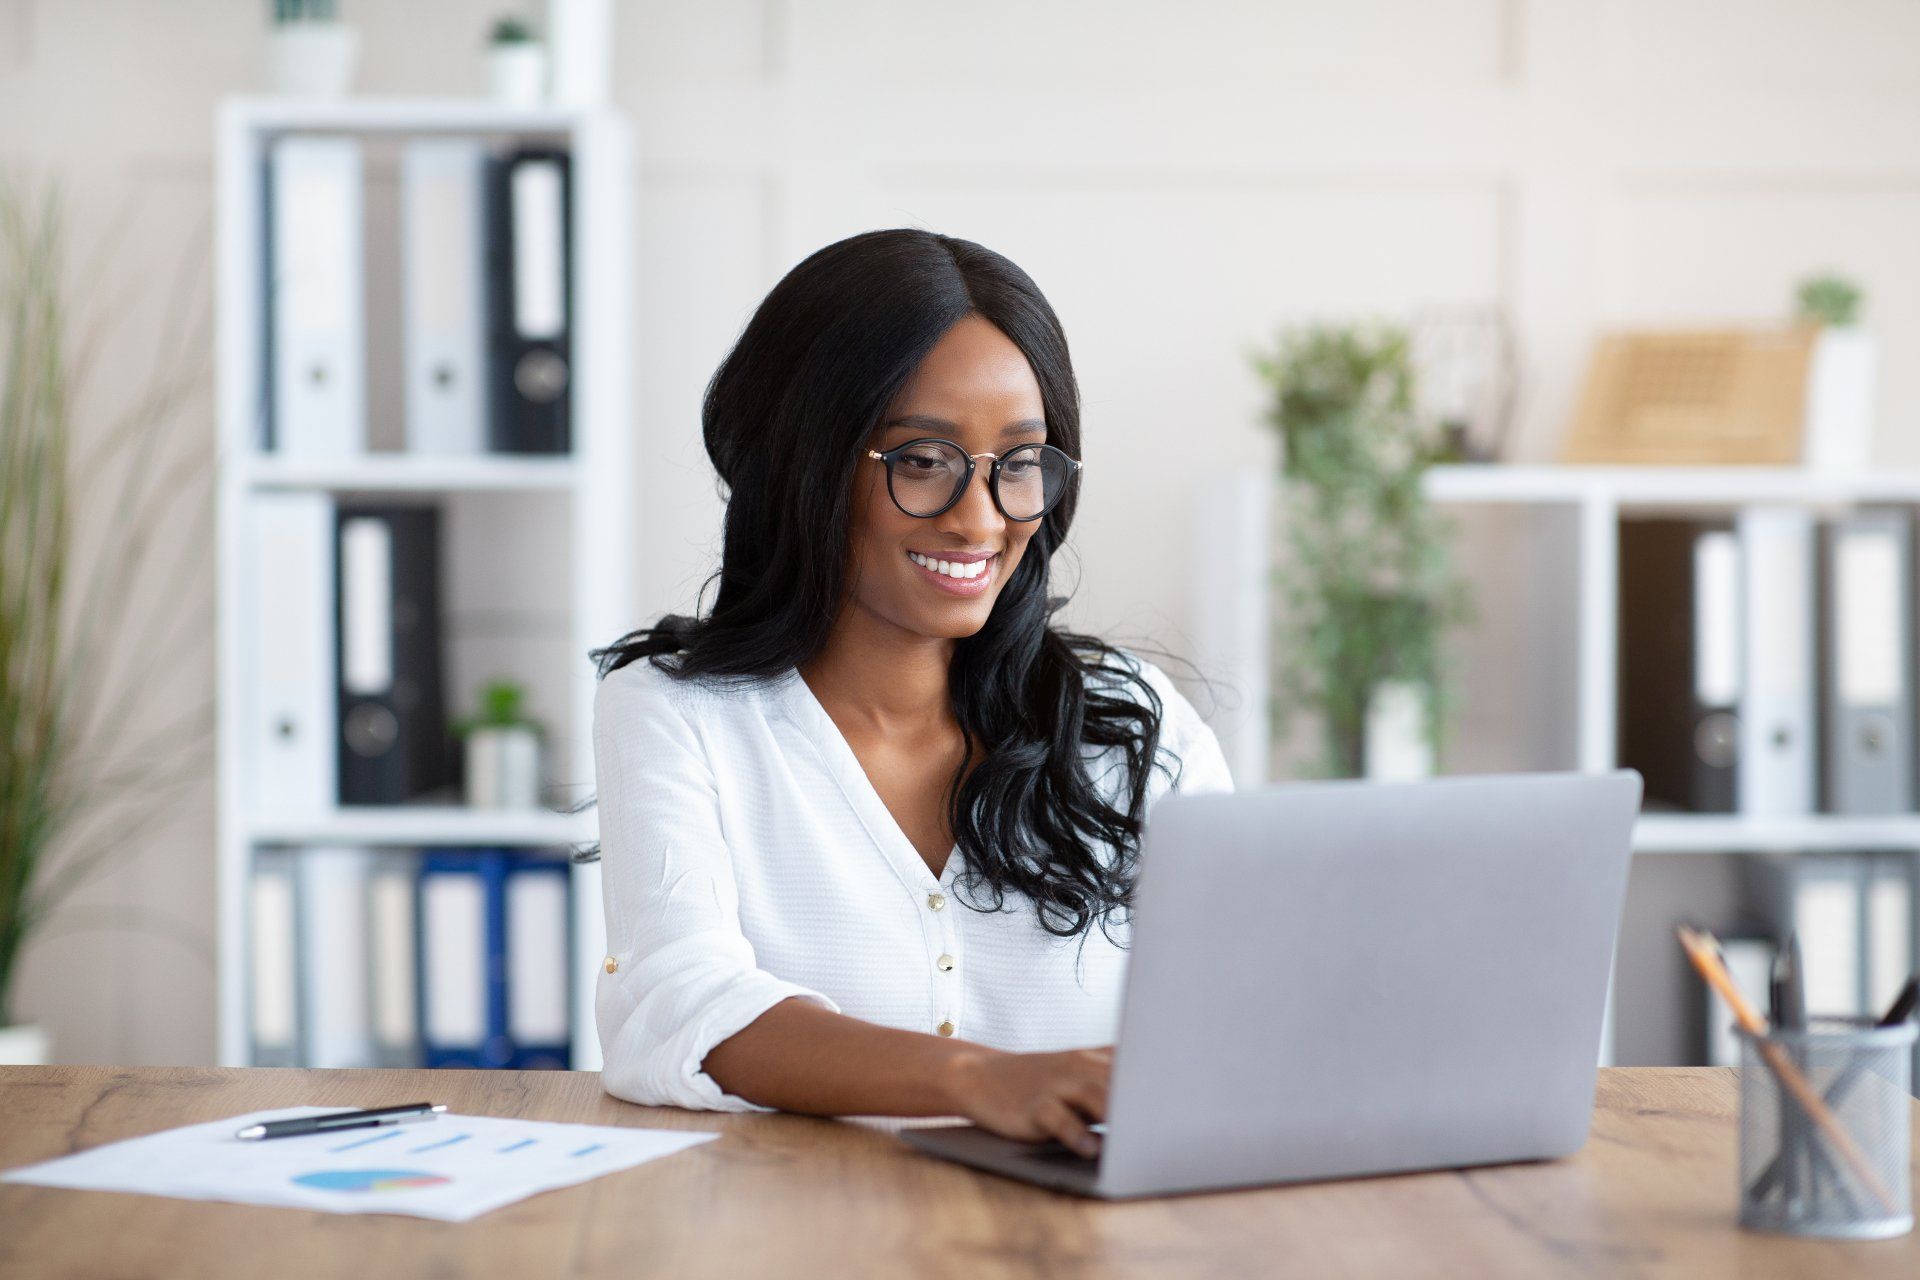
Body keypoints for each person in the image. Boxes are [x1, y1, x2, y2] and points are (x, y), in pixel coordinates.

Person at [584, 228, 1232, 1159]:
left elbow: (1250, 1003)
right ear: (805, 464)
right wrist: (982, 1079)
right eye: (923, 460)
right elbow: (676, 1008)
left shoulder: (1133, 719)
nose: (980, 519)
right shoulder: (678, 714)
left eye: (1019, 464)